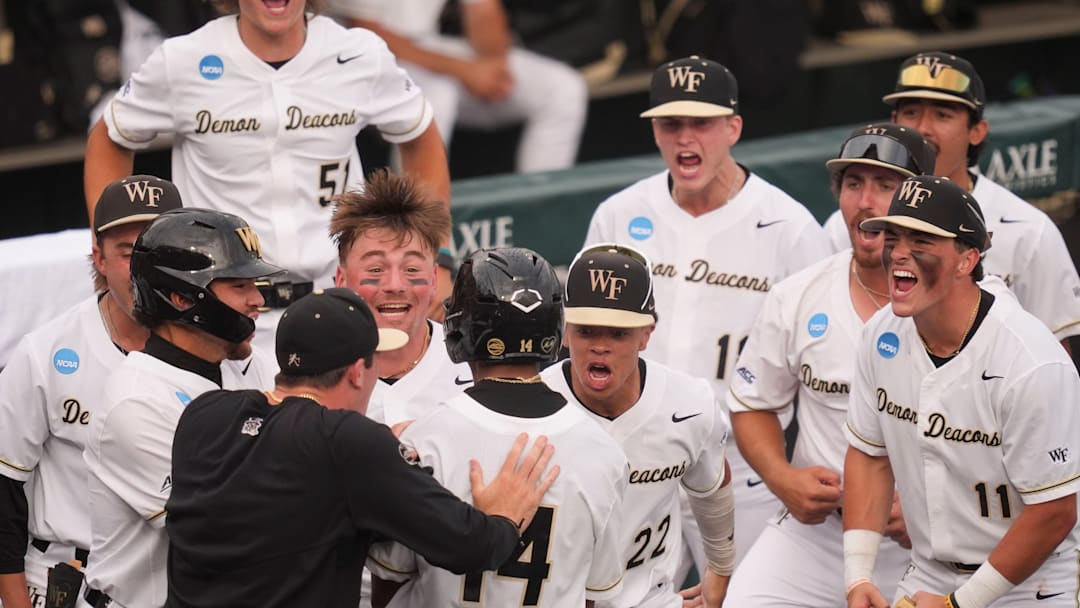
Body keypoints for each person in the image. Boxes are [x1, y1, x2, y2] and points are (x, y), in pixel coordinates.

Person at [83, 0, 454, 351]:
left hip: (337, 303)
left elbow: (420, 134)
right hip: (219, 313)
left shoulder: (359, 53)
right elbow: (109, 136)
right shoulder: (181, 60)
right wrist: (119, 250)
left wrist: (437, 253)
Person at [583, 55, 832, 571]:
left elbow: (823, 363)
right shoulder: (618, 214)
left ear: (733, 127)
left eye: (701, 122)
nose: (685, 138)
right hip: (634, 459)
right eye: (671, 123)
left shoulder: (790, 228)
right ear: (655, 130)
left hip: (744, 466)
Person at [165, 287, 560, 607]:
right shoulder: (346, 442)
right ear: (358, 372)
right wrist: (505, 518)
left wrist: (372, 459)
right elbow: (471, 546)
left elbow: (279, 503)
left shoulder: (206, 414)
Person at [723, 123, 936, 606]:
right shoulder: (798, 294)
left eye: (886, 185)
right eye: (853, 184)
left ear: (922, 199)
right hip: (820, 535)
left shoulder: (959, 305)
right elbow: (753, 404)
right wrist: (781, 476)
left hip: (930, 544)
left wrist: (937, 510)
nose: (866, 201)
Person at [843, 175, 1080, 608]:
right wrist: (858, 575)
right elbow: (870, 454)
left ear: (966, 259)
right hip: (925, 572)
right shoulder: (880, 335)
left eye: (922, 240)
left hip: (1032, 584)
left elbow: (1055, 511)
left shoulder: (1029, 361)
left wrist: (959, 605)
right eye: (892, 236)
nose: (897, 252)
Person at [369, 247, 627, 607]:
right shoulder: (604, 453)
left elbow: (389, 583)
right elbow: (594, 597)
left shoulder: (425, 440)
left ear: (461, 328)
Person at [81, 208, 286, 608]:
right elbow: (222, 531)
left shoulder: (254, 366)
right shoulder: (135, 401)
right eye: (240, 285)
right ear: (181, 297)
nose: (258, 300)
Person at [0, 175, 184, 608]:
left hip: (174, 580)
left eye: (158, 251)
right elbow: (4, 490)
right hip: (63, 582)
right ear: (98, 258)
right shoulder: (44, 353)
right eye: (127, 252)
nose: (144, 268)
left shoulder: (215, 346)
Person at [822, 51, 1080, 352]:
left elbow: (1054, 355)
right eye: (911, 113)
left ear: (976, 131)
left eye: (942, 115)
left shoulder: (1027, 230)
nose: (923, 129)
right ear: (894, 121)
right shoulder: (850, 225)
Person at [541, 243, 735, 608]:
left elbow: (712, 485)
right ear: (564, 331)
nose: (600, 346)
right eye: (586, 331)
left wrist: (721, 569)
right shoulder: (532, 406)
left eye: (618, 333)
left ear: (647, 334)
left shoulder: (690, 405)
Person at [328, 0, 587, 173]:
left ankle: (539, 214)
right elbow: (366, 32)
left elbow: (484, 16)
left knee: (563, 88)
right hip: (354, 60)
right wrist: (465, 70)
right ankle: (413, 226)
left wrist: (494, 66)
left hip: (427, 46)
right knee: (435, 98)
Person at [329, 169, 470, 430]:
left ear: (434, 279)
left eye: (412, 269)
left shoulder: (474, 362)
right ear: (341, 279)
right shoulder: (310, 369)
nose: (395, 285)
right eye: (375, 270)